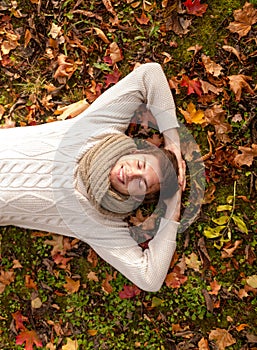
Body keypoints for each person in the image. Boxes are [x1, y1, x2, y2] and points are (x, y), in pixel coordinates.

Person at [0, 63, 185, 292]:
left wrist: (172, 212)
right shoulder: (100, 127)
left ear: (141, 197)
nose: (130, 174)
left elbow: (150, 279)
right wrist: (173, 140)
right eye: (140, 164)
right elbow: (150, 74)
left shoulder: (102, 223)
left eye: (141, 183)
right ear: (137, 151)